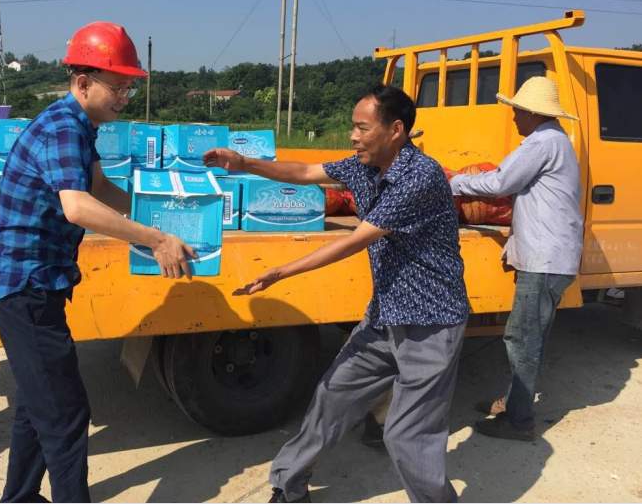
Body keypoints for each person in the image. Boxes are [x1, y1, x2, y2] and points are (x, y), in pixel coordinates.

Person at [205, 84, 469, 503]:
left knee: (408, 436)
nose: (353, 136)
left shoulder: (420, 177)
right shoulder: (365, 166)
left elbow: (354, 241)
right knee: (332, 395)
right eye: (352, 127)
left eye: (362, 128)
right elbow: (305, 173)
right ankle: (290, 486)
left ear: (395, 130)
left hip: (430, 323)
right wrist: (244, 163)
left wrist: (282, 271)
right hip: (385, 315)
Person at [0, 21, 196, 503]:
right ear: (83, 82)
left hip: (33, 284)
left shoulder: (77, 125)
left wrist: (161, 217)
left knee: (37, 404)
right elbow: (77, 206)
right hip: (25, 287)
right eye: (117, 87)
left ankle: (19, 498)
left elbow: (98, 187)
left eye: (128, 88)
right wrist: (155, 239)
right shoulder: (62, 129)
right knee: (65, 414)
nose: (124, 98)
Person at [450, 75, 583, 442]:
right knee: (527, 336)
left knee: (523, 339)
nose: (513, 116)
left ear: (533, 113)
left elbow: (499, 183)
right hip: (546, 255)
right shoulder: (553, 140)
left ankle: (519, 421)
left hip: (546, 260)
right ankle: (513, 403)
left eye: (517, 110)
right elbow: (534, 204)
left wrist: (454, 183)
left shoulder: (542, 142)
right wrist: (515, 247)